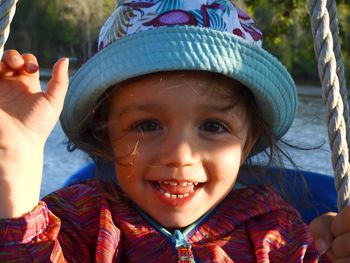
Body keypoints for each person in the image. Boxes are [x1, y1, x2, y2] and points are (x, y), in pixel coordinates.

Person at [0, 0, 349, 262]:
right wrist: (19, 156)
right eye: (147, 125)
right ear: (107, 133)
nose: (180, 154)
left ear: (249, 140)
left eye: (213, 126)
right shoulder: (79, 223)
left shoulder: (277, 236)